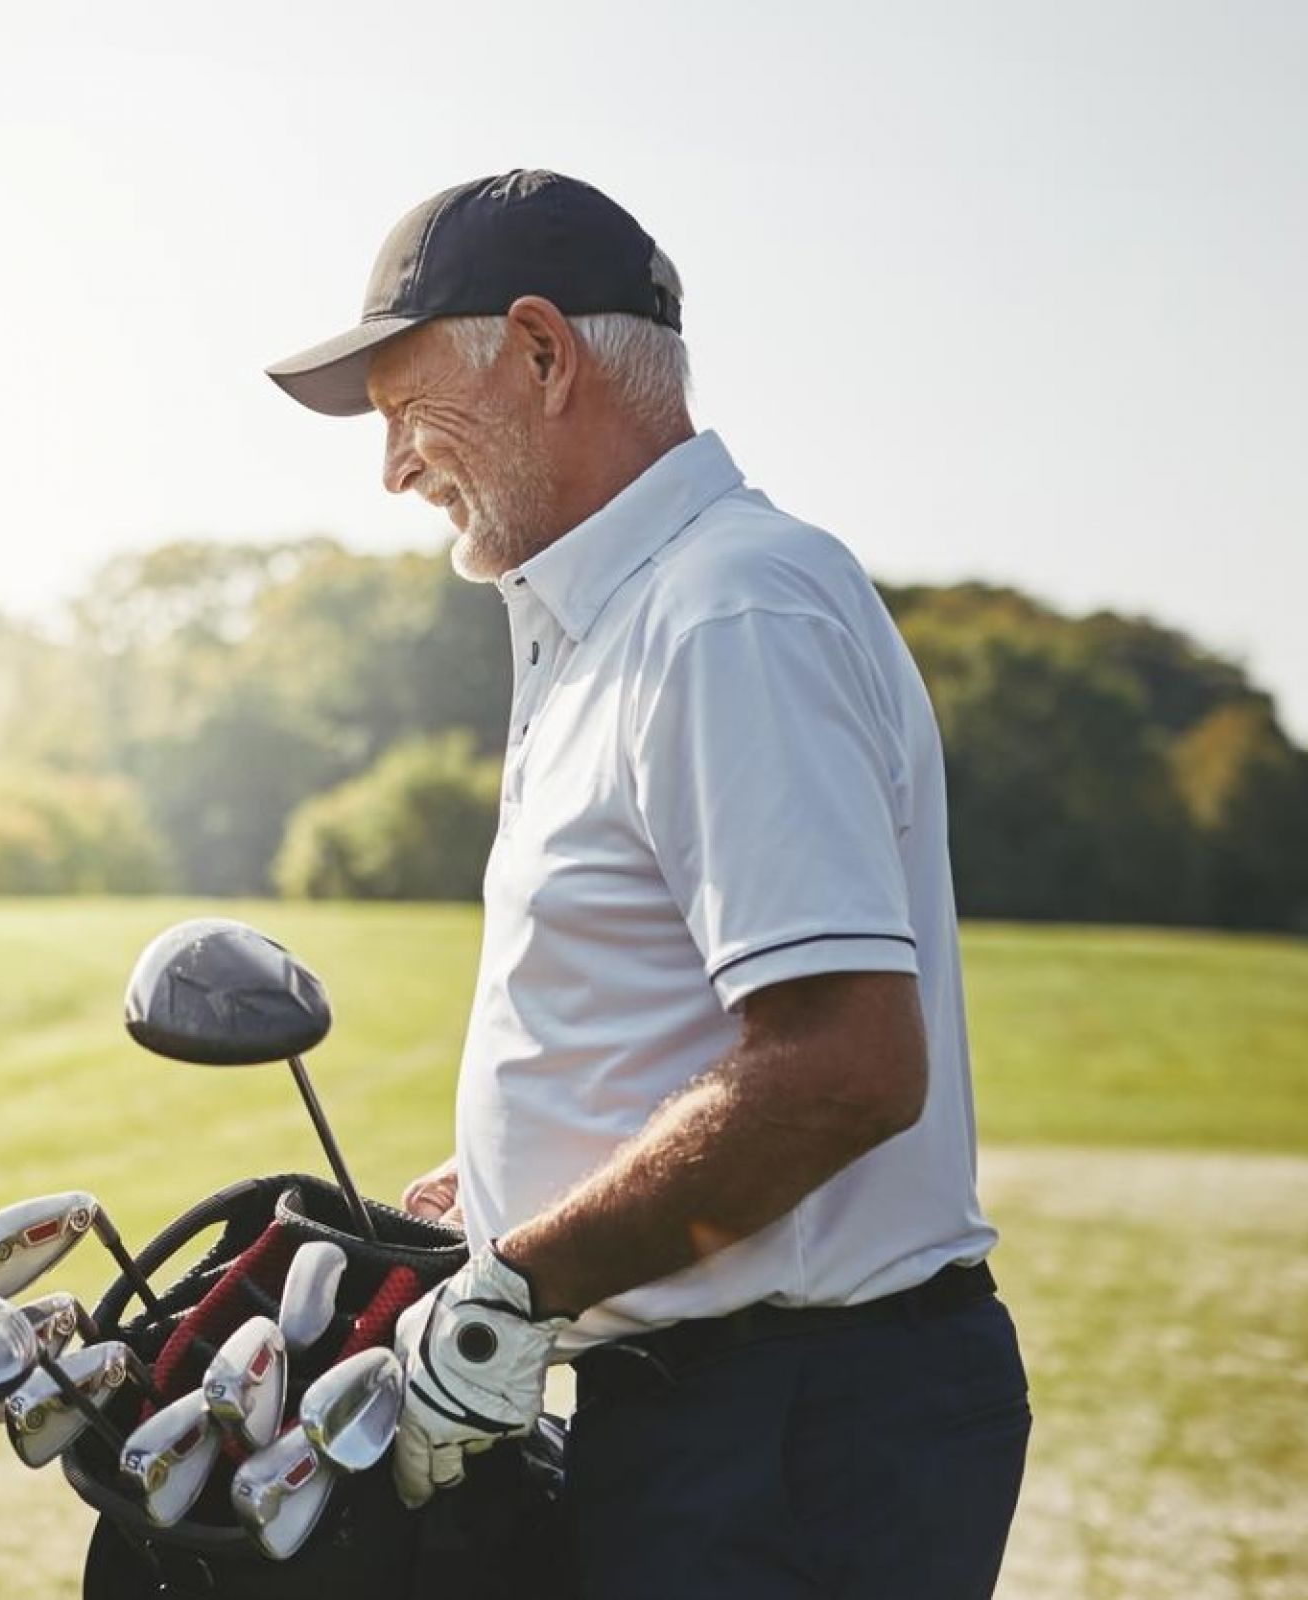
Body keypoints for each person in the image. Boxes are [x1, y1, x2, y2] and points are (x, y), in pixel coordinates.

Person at [263, 171, 1030, 1598]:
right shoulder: (625, 618)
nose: (393, 470)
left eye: (405, 411)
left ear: (545, 354)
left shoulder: (728, 609)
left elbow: (844, 1066)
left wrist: (519, 1286)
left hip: (796, 1434)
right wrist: (507, 1199)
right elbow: (680, 1019)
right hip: (729, 1410)